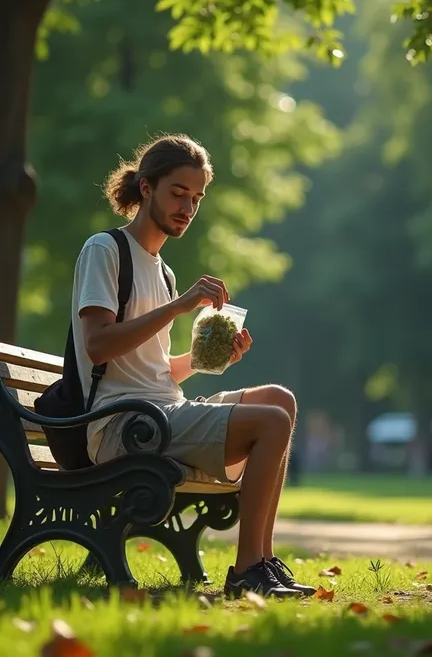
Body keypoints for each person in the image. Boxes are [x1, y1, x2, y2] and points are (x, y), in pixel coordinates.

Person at [72, 133, 315, 599]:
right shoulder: (106, 251)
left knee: (280, 400)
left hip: (161, 411)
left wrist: (206, 360)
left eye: (197, 197)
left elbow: (154, 371)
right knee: (271, 421)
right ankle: (247, 570)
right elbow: (98, 346)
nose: (188, 206)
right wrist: (178, 308)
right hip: (121, 424)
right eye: (178, 193)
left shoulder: (162, 270)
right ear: (146, 188)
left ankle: (262, 561)